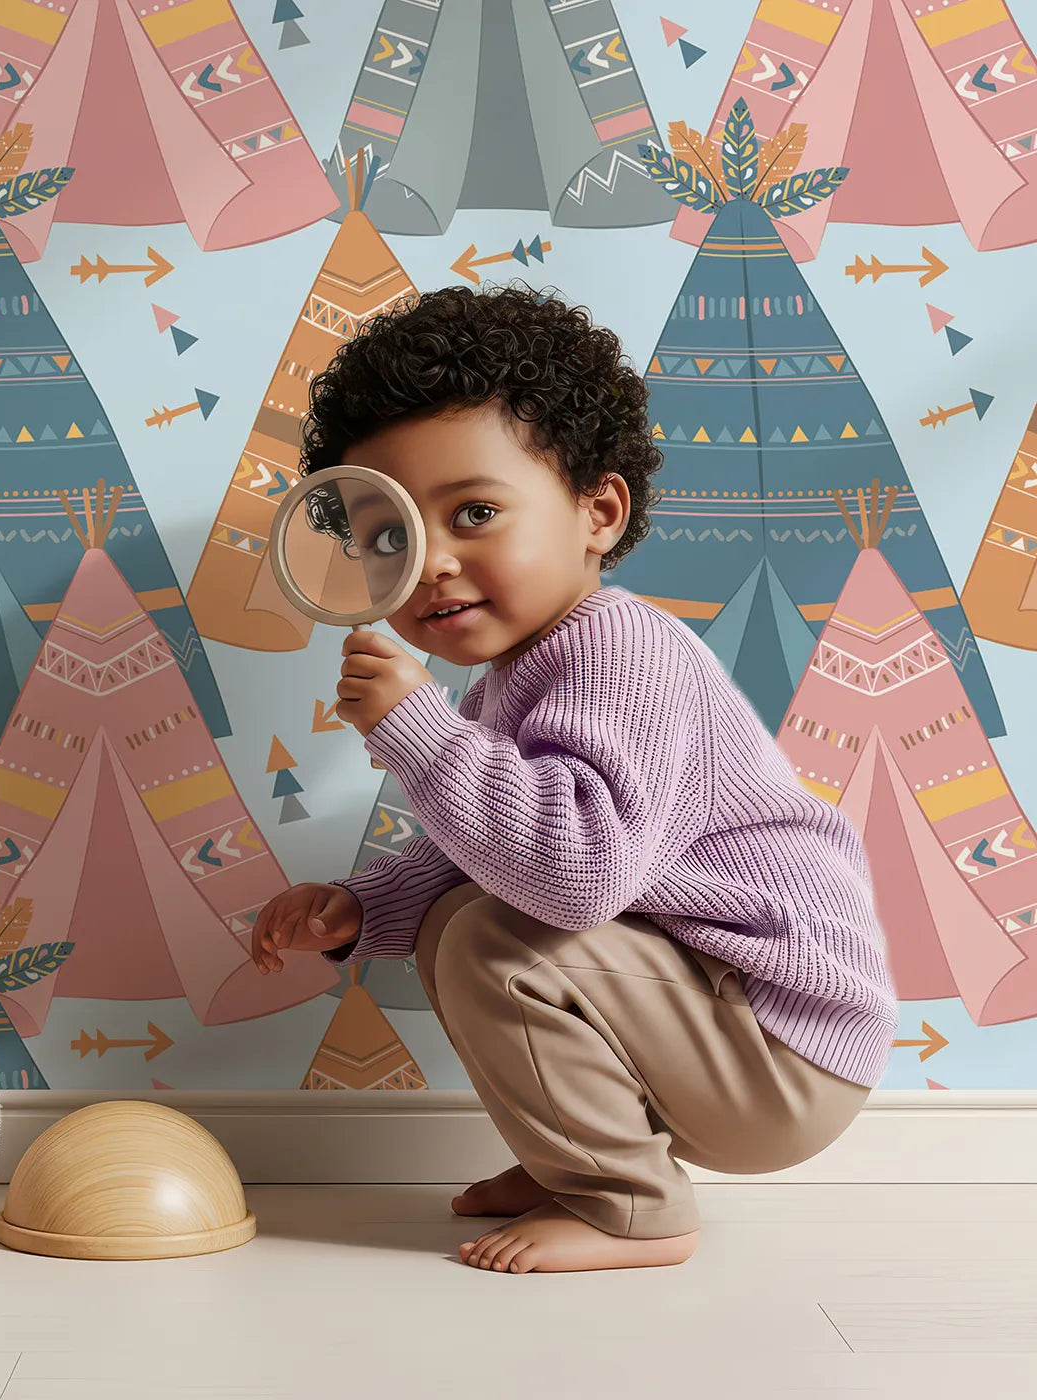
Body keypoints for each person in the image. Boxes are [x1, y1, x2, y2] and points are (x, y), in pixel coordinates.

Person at [250, 284, 897, 1275]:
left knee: (492, 944)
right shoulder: (528, 671)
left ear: (597, 511)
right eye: (390, 535)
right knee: (457, 913)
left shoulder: (622, 653)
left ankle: (628, 1204)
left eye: (472, 511)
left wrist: (414, 726)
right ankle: (578, 1159)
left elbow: (573, 877)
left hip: (781, 1041)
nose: (430, 563)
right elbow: (474, 850)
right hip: (713, 1015)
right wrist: (357, 905)